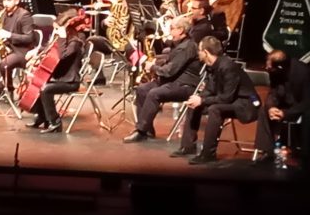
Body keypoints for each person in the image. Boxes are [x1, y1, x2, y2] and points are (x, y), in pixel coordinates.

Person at [175, 35, 260, 164]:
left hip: (245, 103)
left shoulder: (228, 66)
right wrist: (199, 98)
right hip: (231, 100)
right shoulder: (211, 66)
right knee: (194, 104)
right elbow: (210, 89)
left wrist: (203, 101)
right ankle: (188, 146)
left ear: (206, 52)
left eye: (199, 50)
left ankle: (208, 153)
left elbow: (226, 98)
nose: (198, 53)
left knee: (215, 109)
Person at [123, 16, 202, 143]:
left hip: (185, 85)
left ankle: (141, 131)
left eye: (172, 28)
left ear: (181, 30)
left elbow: (170, 70)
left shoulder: (187, 47)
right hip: (172, 81)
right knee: (142, 90)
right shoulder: (178, 44)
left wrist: (152, 67)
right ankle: (147, 130)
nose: (169, 31)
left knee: (154, 93)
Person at [25, 9, 90, 133]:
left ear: (66, 29)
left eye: (57, 29)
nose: (55, 31)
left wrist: (62, 38)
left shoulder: (75, 42)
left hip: (70, 81)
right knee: (37, 82)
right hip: (59, 77)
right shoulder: (62, 39)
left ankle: (55, 122)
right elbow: (49, 47)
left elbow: (61, 56)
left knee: (45, 89)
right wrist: (36, 51)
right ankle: (42, 116)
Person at [252, 49, 310, 164]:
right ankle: (267, 151)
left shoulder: (304, 73)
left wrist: (286, 113)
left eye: (269, 67)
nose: (266, 68)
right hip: (284, 101)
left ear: (280, 67)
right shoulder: (275, 71)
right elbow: (273, 92)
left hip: (299, 106)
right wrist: (271, 107)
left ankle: (305, 156)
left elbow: (306, 102)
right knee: (264, 111)